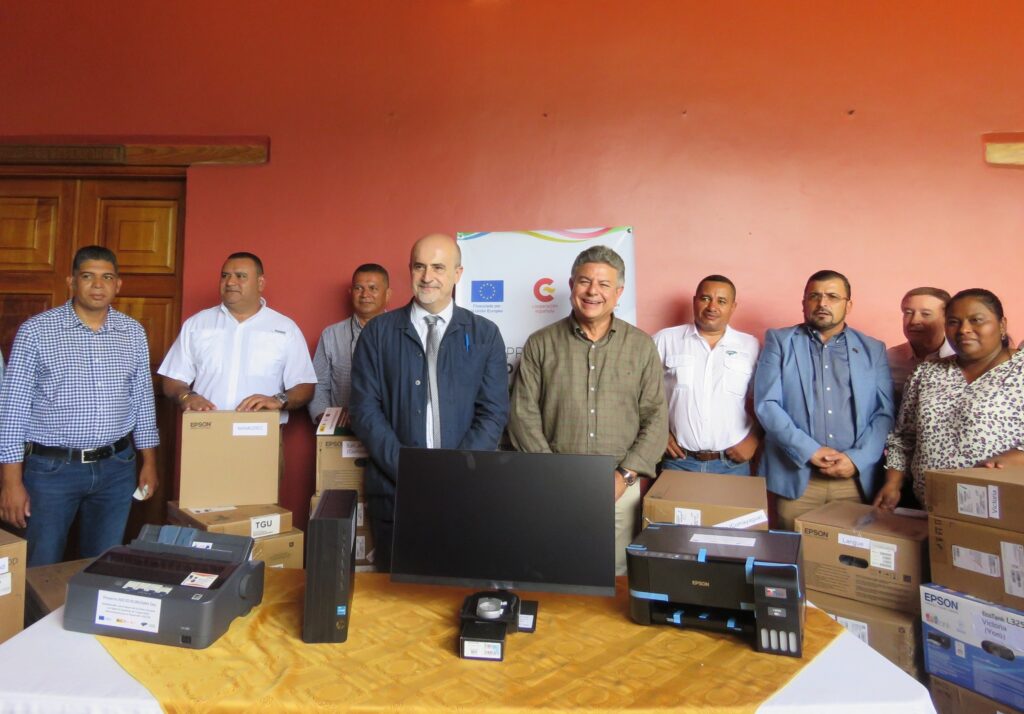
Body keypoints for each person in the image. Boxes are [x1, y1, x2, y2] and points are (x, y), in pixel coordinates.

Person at [350, 234, 508, 571]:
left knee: (459, 588)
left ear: (457, 274)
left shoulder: (485, 334)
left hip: (465, 490)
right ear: (410, 270)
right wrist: (410, 471)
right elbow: (365, 412)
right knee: (398, 594)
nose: (427, 276)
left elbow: (493, 413)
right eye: (419, 266)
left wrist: (454, 471)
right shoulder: (377, 333)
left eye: (438, 267)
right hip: (395, 491)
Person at [509, 245, 668, 576]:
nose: (593, 291)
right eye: (584, 281)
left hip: (619, 488)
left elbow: (656, 416)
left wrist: (624, 477)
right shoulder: (541, 343)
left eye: (604, 284)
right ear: (571, 286)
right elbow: (523, 415)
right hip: (553, 485)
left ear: (618, 293)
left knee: (615, 578)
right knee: (553, 574)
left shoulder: (641, 346)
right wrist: (554, 474)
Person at [0, 246, 159, 566]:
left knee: (102, 564)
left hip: (117, 467)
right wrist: (11, 483)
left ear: (118, 284)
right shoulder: (37, 331)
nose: (98, 285)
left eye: (107, 277)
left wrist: (149, 462)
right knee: (40, 565)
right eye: (88, 276)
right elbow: (12, 410)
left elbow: (143, 398)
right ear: (72, 282)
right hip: (52, 471)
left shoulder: (132, 332)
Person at [754, 270, 894, 530]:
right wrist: (809, 450)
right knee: (794, 550)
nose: (822, 303)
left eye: (832, 296)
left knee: (849, 552)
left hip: (853, 480)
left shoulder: (872, 349)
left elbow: (884, 413)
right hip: (797, 477)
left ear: (848, 305)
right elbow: (767, 404)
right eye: (814, 296)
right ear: (804, 303)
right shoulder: (780, 341)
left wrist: (856, 460)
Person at [875, 289, 1024, 510]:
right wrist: (893, 484)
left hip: (1001, 508)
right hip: (929, 506)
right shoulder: (926, 372)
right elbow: (904, 438)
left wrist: (1018, 458)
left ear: (1002, 325)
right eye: (954, 322)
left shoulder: (1019, 370)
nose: (964, 329)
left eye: (976, 320)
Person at [158, 252, 317, 422]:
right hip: (206, 428)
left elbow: (305, 386)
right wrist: (186, 396)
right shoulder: (196, 324)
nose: (230, 282)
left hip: (262, 430)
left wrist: (279, 399)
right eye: (225, 276)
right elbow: (173, 377)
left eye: (240, 276)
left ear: (260, 283)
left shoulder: (285, 328)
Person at [654, 275, 762, 475]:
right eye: (705, 298)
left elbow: (768, 402)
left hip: (732, 465)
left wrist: (754, 439)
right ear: (694, 301)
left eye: (722, 301)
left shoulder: (750, 346)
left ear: (733, 307)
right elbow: (642, 396)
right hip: (678, 462)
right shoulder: (665, 340)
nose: (712, 307)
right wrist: (660, 433)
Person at [308, 264, 391, 426]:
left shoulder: (402, 334)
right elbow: (319, 384)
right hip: (342, 430)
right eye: (358, 288)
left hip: (390, 430)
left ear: (387, 294)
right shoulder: (331, 335)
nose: (365, 294)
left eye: (373, 288)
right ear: (350, 292)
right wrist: (327, 420)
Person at [886, 287, 954, 405]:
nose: (914, 321)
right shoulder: (887, 359)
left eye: (925, 314)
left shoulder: (963, 359)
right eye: (908, 313)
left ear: (947, 319)